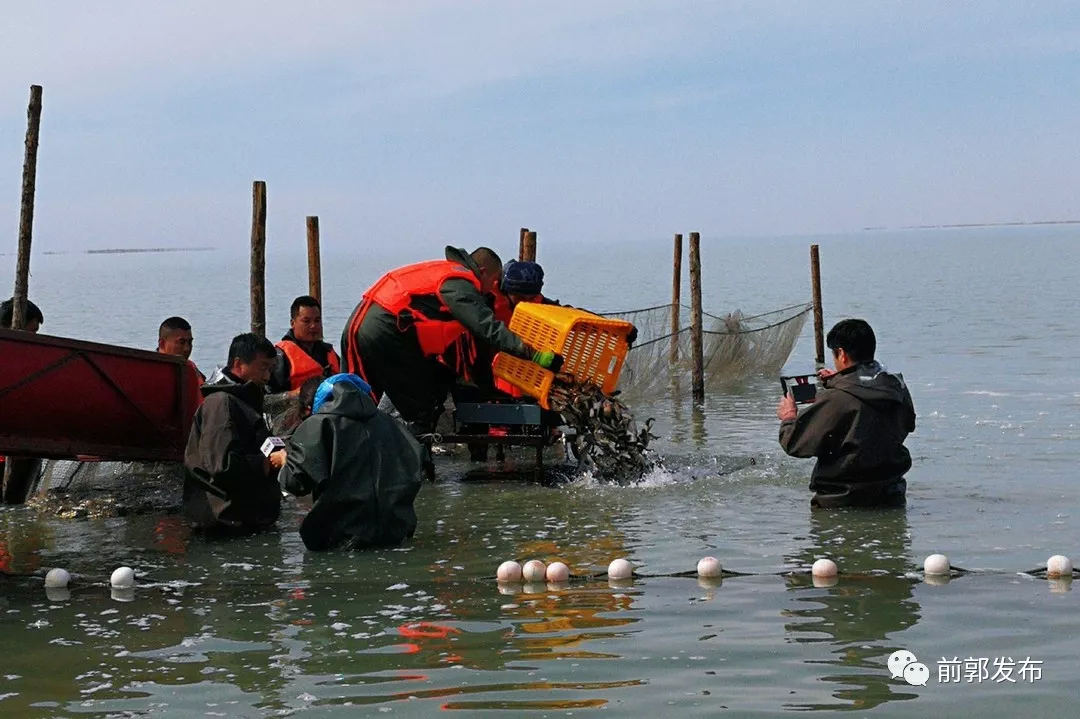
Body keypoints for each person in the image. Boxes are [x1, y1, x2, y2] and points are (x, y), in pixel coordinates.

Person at [340, 246, 563, 449]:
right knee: (389, 406)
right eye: (493, 281)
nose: (491, 289)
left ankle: (384, 454)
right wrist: (534, 354)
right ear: (483, 272)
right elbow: (486, 327)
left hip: (389, 332)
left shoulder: (453, 278)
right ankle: (406, 464)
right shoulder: (460, 282)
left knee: (362, 401)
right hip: (380, 330)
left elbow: (475, 347)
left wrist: (490, 391)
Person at [776, 319, 916, 509]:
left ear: (841, 354)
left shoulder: (836, 399)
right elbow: (908, 423)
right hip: (892, 497)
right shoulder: (896, 387)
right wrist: (839, 380)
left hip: (841, 503)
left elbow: (794, 443)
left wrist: (789, 416)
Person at [278, 373, 424, 551]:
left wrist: (286, 461)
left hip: (340, 540)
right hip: (395, 535)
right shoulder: (392, 424)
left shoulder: (319, 424)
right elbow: (418, 467)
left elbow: (296, 484)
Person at [183, 333, 284, 533]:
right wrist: (265, 463)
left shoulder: (243, 402)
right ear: (238, 365)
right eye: (263, 367)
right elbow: (222, 465)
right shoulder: (220, 403)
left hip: (244, 520)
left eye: (271, 369)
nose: (267, 376)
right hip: (223, 524)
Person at [269, 296, 341, 394]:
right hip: (295, 407)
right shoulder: (280, 356)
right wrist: (293, 395)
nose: (313, 326)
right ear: (292, 323)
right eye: (306, 321)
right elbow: (267, 399)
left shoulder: (329, 352)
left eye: (317, 320)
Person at [157, 316, 205, 382]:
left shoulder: (191, 369)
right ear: (162, 344)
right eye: (181, 342)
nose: (187, 349)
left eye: (189, 342)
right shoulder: (150, 371)